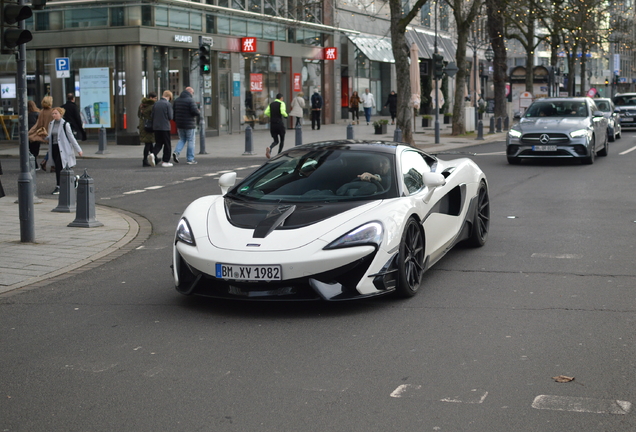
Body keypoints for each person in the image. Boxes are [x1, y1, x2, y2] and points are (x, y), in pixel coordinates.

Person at [47, 107, 83, 195]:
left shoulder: (65, 124)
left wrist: (78, 149)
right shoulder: (51, 124)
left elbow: (71, 138)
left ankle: (58, 186)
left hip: (63, 149)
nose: (54, 115)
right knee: (60, 168)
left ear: (60, 114)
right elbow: (50, 137)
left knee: (60, 167)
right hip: (54, 148)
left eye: (56, 113)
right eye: (53, 114)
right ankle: (74, 179)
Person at [172, 87, 201, 165]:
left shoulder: (177, 100)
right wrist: (198, 112)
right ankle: (190, 159)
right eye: (193, 93)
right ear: (190, 92)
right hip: (189, 124)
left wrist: (176, 120)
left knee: (182, 139)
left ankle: (176, 152)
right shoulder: (190, 100)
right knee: (191, 140)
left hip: (180, 124)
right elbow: (195, 112)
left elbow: (173, 112)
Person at [148, 90, 174, 167]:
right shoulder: (167, 104)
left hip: (156, 127)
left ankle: (153, 154)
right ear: (169, 97)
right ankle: (165, 161)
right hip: (165, 127)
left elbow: (152, 115)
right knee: (167, 144)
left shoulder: (156, 104)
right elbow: (170, 116)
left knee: (158, 143)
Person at [28, 96, 54, 171]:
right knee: (55, 149)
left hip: (42, 133)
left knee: (52, 149)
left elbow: (37, 125)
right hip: (50, 133)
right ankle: (48, 163)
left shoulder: (41, 112)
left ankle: (45, 162)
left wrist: (30, 133)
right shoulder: (53, 112)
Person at [264, 93, 288, 159]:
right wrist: (286, 116)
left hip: (272, 124)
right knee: (282, 140)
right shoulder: (282, 103)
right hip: (279, 123)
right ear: (281, 98)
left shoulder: (271, 104)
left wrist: (271, 116)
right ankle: (279, 154)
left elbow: (266, 112)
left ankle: (270, 148)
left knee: (276, 141)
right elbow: (283, 112)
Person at [138, 91, 157, 167]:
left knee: (149, 143)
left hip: (143, 125)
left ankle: (155, 157)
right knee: (148, 144)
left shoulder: (142, 105)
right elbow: (153, 116)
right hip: (149, 126)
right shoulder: (152, 106)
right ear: (151, 98)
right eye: (155, 98)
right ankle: (145, 160)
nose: (156, 99)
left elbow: (138, 115)